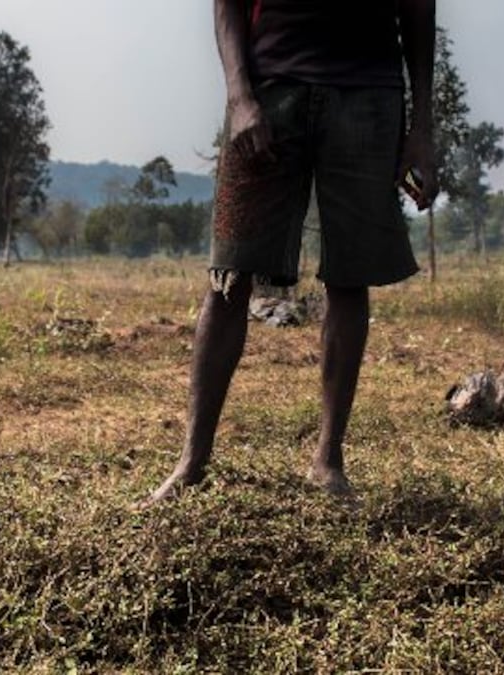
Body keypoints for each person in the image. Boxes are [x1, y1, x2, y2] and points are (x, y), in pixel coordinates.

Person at [145, 0, 438, 505]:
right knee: (228, 276)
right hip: (269, 92)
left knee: (351, 277)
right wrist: (239, 97)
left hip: (369, 97)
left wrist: (422, 129)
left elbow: (417, 8)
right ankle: (191, 464)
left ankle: (328, 461)